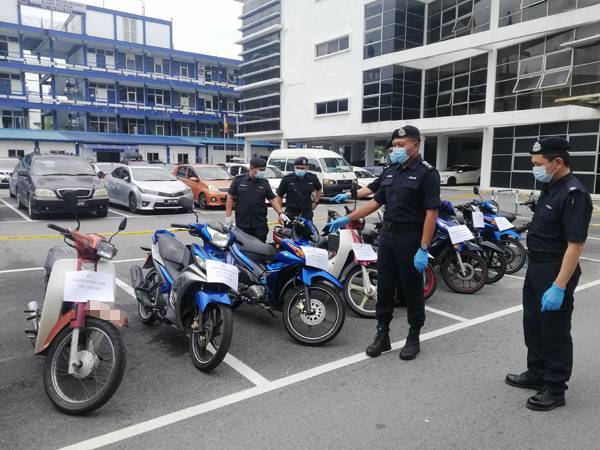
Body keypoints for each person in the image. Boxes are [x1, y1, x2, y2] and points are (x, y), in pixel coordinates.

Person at [325, 125, 440, 361]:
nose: (395, 149)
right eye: (394, 145)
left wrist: (423, 248)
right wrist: (348, 217)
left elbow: (431, 214)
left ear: (415, 145)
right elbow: (376, 201)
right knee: (385, 288)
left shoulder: (427, 174)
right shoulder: (391, 170)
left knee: (411, 290)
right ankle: (383, 335)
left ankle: (413, 336)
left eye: (401, 145)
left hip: (411, 239)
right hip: (388, 237)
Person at [505, 137, 592, 411]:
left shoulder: (574, 193)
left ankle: (555, 388)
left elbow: (575, 245)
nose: (535, 168)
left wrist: (559, 285)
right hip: (537, 265)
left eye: (538, 164)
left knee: (554, 329)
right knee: (533, 323)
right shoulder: (550, 186)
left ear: (557, 162)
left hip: (555, 269)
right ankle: (537, 373)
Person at [226, 158, 288, 242]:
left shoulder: (264, 183)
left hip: (259, 224)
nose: (262, 172)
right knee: (243, 247)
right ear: (251, 168)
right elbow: (230, 197)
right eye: (260, 170)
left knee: (260, 248)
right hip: (242, 223)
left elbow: (272, 199)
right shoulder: (238, 180)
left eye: (264, 170)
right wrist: (228, 217)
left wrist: (281, 213)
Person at [277, 156, 322, 222]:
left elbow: (319, 189)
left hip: (307, 213)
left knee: (307, 232)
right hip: (291, 213)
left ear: (307, 167)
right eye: (297, 168)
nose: (299, 170)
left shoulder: (312, 178)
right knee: (290, 232)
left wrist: (315, 202)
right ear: (294, 167)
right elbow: (279, 195)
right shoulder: (287, 179)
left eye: (302, 168)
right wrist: (280, 213)